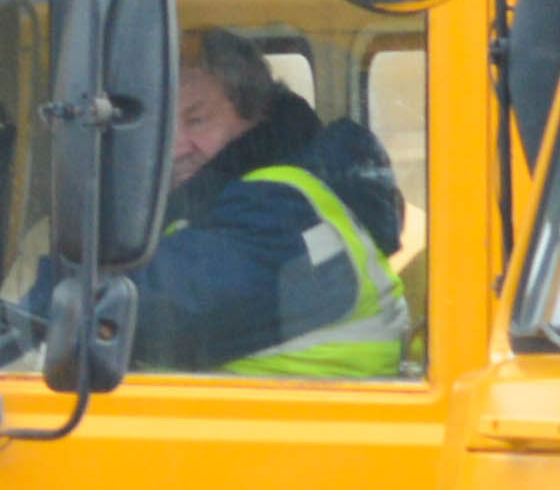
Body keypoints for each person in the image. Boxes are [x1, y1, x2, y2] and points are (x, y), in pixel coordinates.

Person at [139, 28, 415, 374]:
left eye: (197, 120)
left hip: (309, 424)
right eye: (162, 126)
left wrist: (60, 295)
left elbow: (161, 309)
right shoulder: (235, 192)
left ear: (253, 110)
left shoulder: (280, 209)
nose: (176, 147)